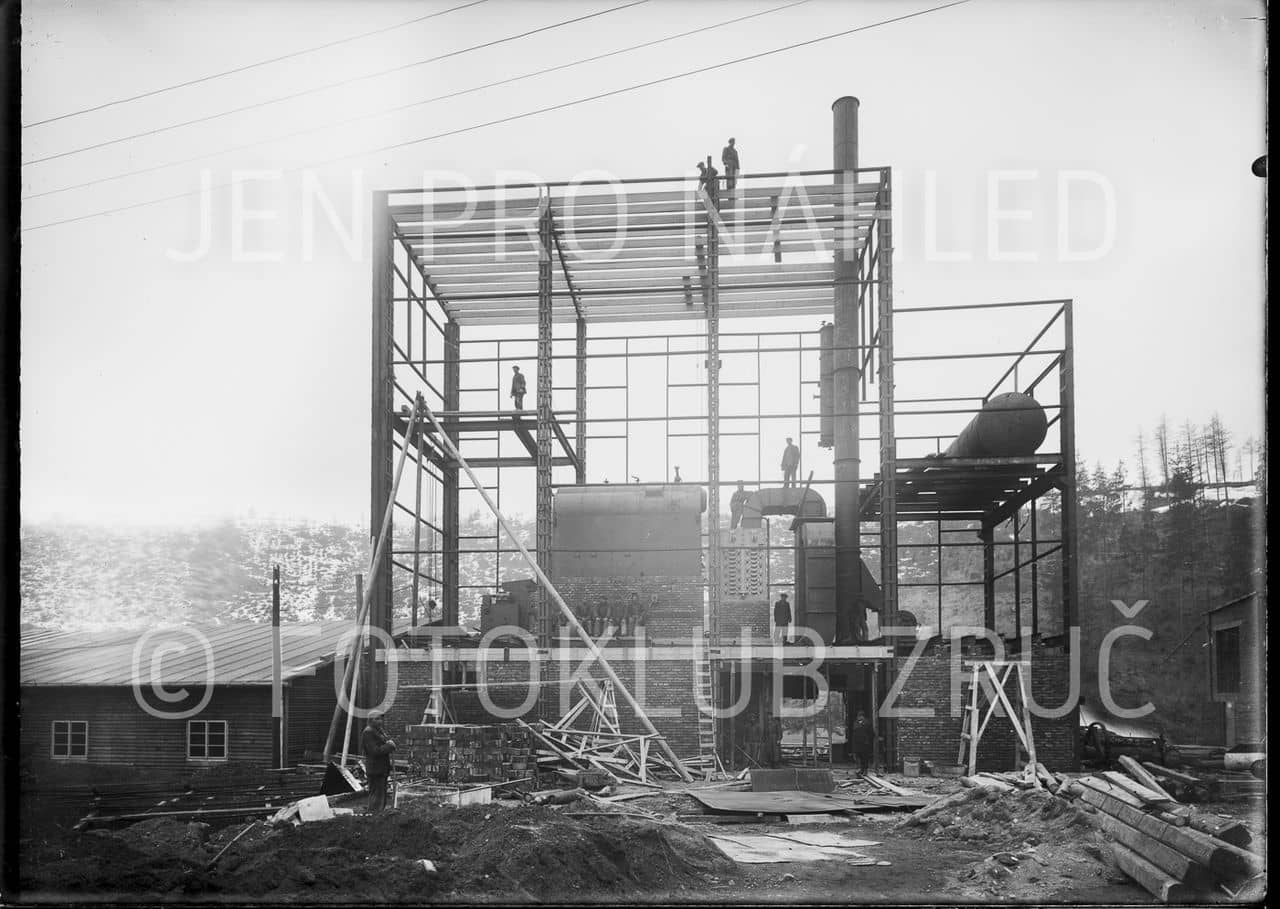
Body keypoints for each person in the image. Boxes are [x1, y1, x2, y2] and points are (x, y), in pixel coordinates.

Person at [361, 713, 397, 812]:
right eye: (376, 719)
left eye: (380, 719)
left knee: (381, 795)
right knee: (376, 795)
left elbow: (385, 742)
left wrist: (389, 743)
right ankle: (373, 815)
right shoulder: (368, 732)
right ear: (371, 720)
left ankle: (379, 814)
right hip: (375, 769)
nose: (380, 721)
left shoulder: (378, 731)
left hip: (382, 768)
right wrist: (389, 746)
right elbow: (374, 751)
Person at [849, 711, 875, 775]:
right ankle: (862, 769)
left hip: (865, 743)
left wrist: (868, 740)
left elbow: (872, 733)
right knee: (860, 757)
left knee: (865, 757)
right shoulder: (855, 723)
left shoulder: (867, 723)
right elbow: (854, 733)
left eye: (860, 716)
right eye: (858, 716)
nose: (859, 717)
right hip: (858, 743)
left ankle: (865, 770)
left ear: (863, 716)